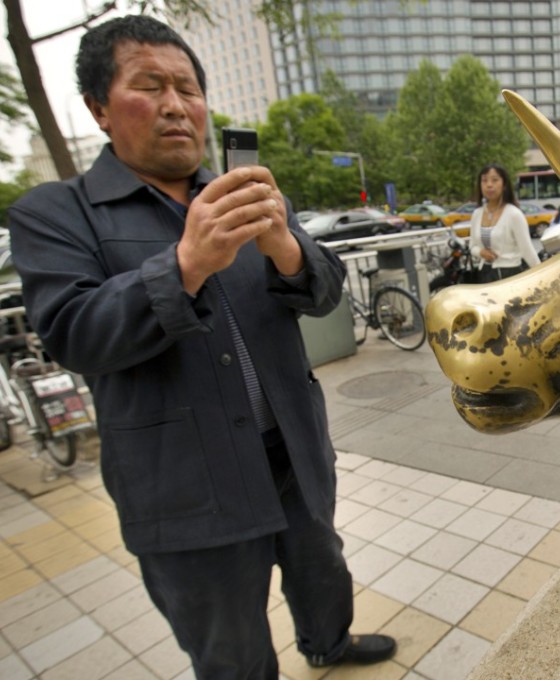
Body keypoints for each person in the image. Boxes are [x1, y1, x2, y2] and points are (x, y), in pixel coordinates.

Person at [7, 16, 395, 679]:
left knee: (321, 568)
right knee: (228, 642)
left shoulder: (244, 195)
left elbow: (326, 292)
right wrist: (185, 263)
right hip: (185, 481)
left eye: (187, 87)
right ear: (99, 108)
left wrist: (285, 246)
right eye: (149, 85)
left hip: (292, 453)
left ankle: (328, 643)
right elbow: (73, 333)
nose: (174, 105)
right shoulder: (57, 213)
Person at [469, 163, 541, 283]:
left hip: (510, 275)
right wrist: (481, 252)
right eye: (484, 180)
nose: (489, 185)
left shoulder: (514, 214)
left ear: (504, 185)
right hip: (485, 274)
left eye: (495, 180)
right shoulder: (477, 213)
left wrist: (541, 276)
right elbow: (472, 246)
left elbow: (527, 251)